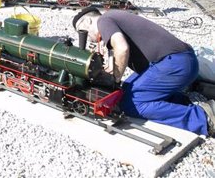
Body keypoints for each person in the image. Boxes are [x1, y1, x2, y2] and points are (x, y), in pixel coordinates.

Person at [72, 8, 215, 137]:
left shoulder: (104, 20)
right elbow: (118, 56)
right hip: (177, 61)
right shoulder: (113, 17)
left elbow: (122, 49)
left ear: (88, 21)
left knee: (131, 103)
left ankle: (203, 117)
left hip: (176, 64)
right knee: (125, 88)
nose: (89, 38)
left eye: (82, 32)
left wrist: (114, 80)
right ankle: (182, 103)